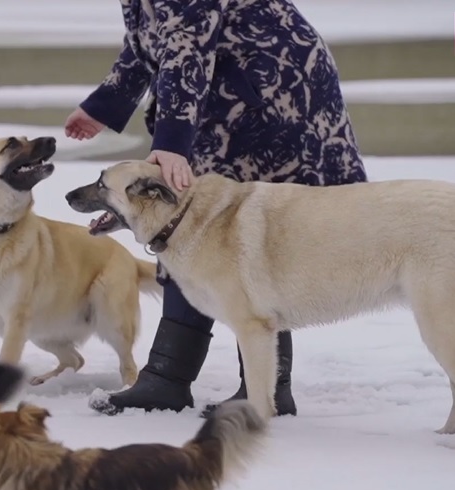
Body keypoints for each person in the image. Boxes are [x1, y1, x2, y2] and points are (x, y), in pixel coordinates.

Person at [65, 0, 368, 417]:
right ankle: (171, 380)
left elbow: (186, 46)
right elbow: (148, 41)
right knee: (187, 229)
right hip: (223, 93)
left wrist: (171, 141)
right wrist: (103, 105)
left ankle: (256, 390)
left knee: (216, 230)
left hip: (270, 95)